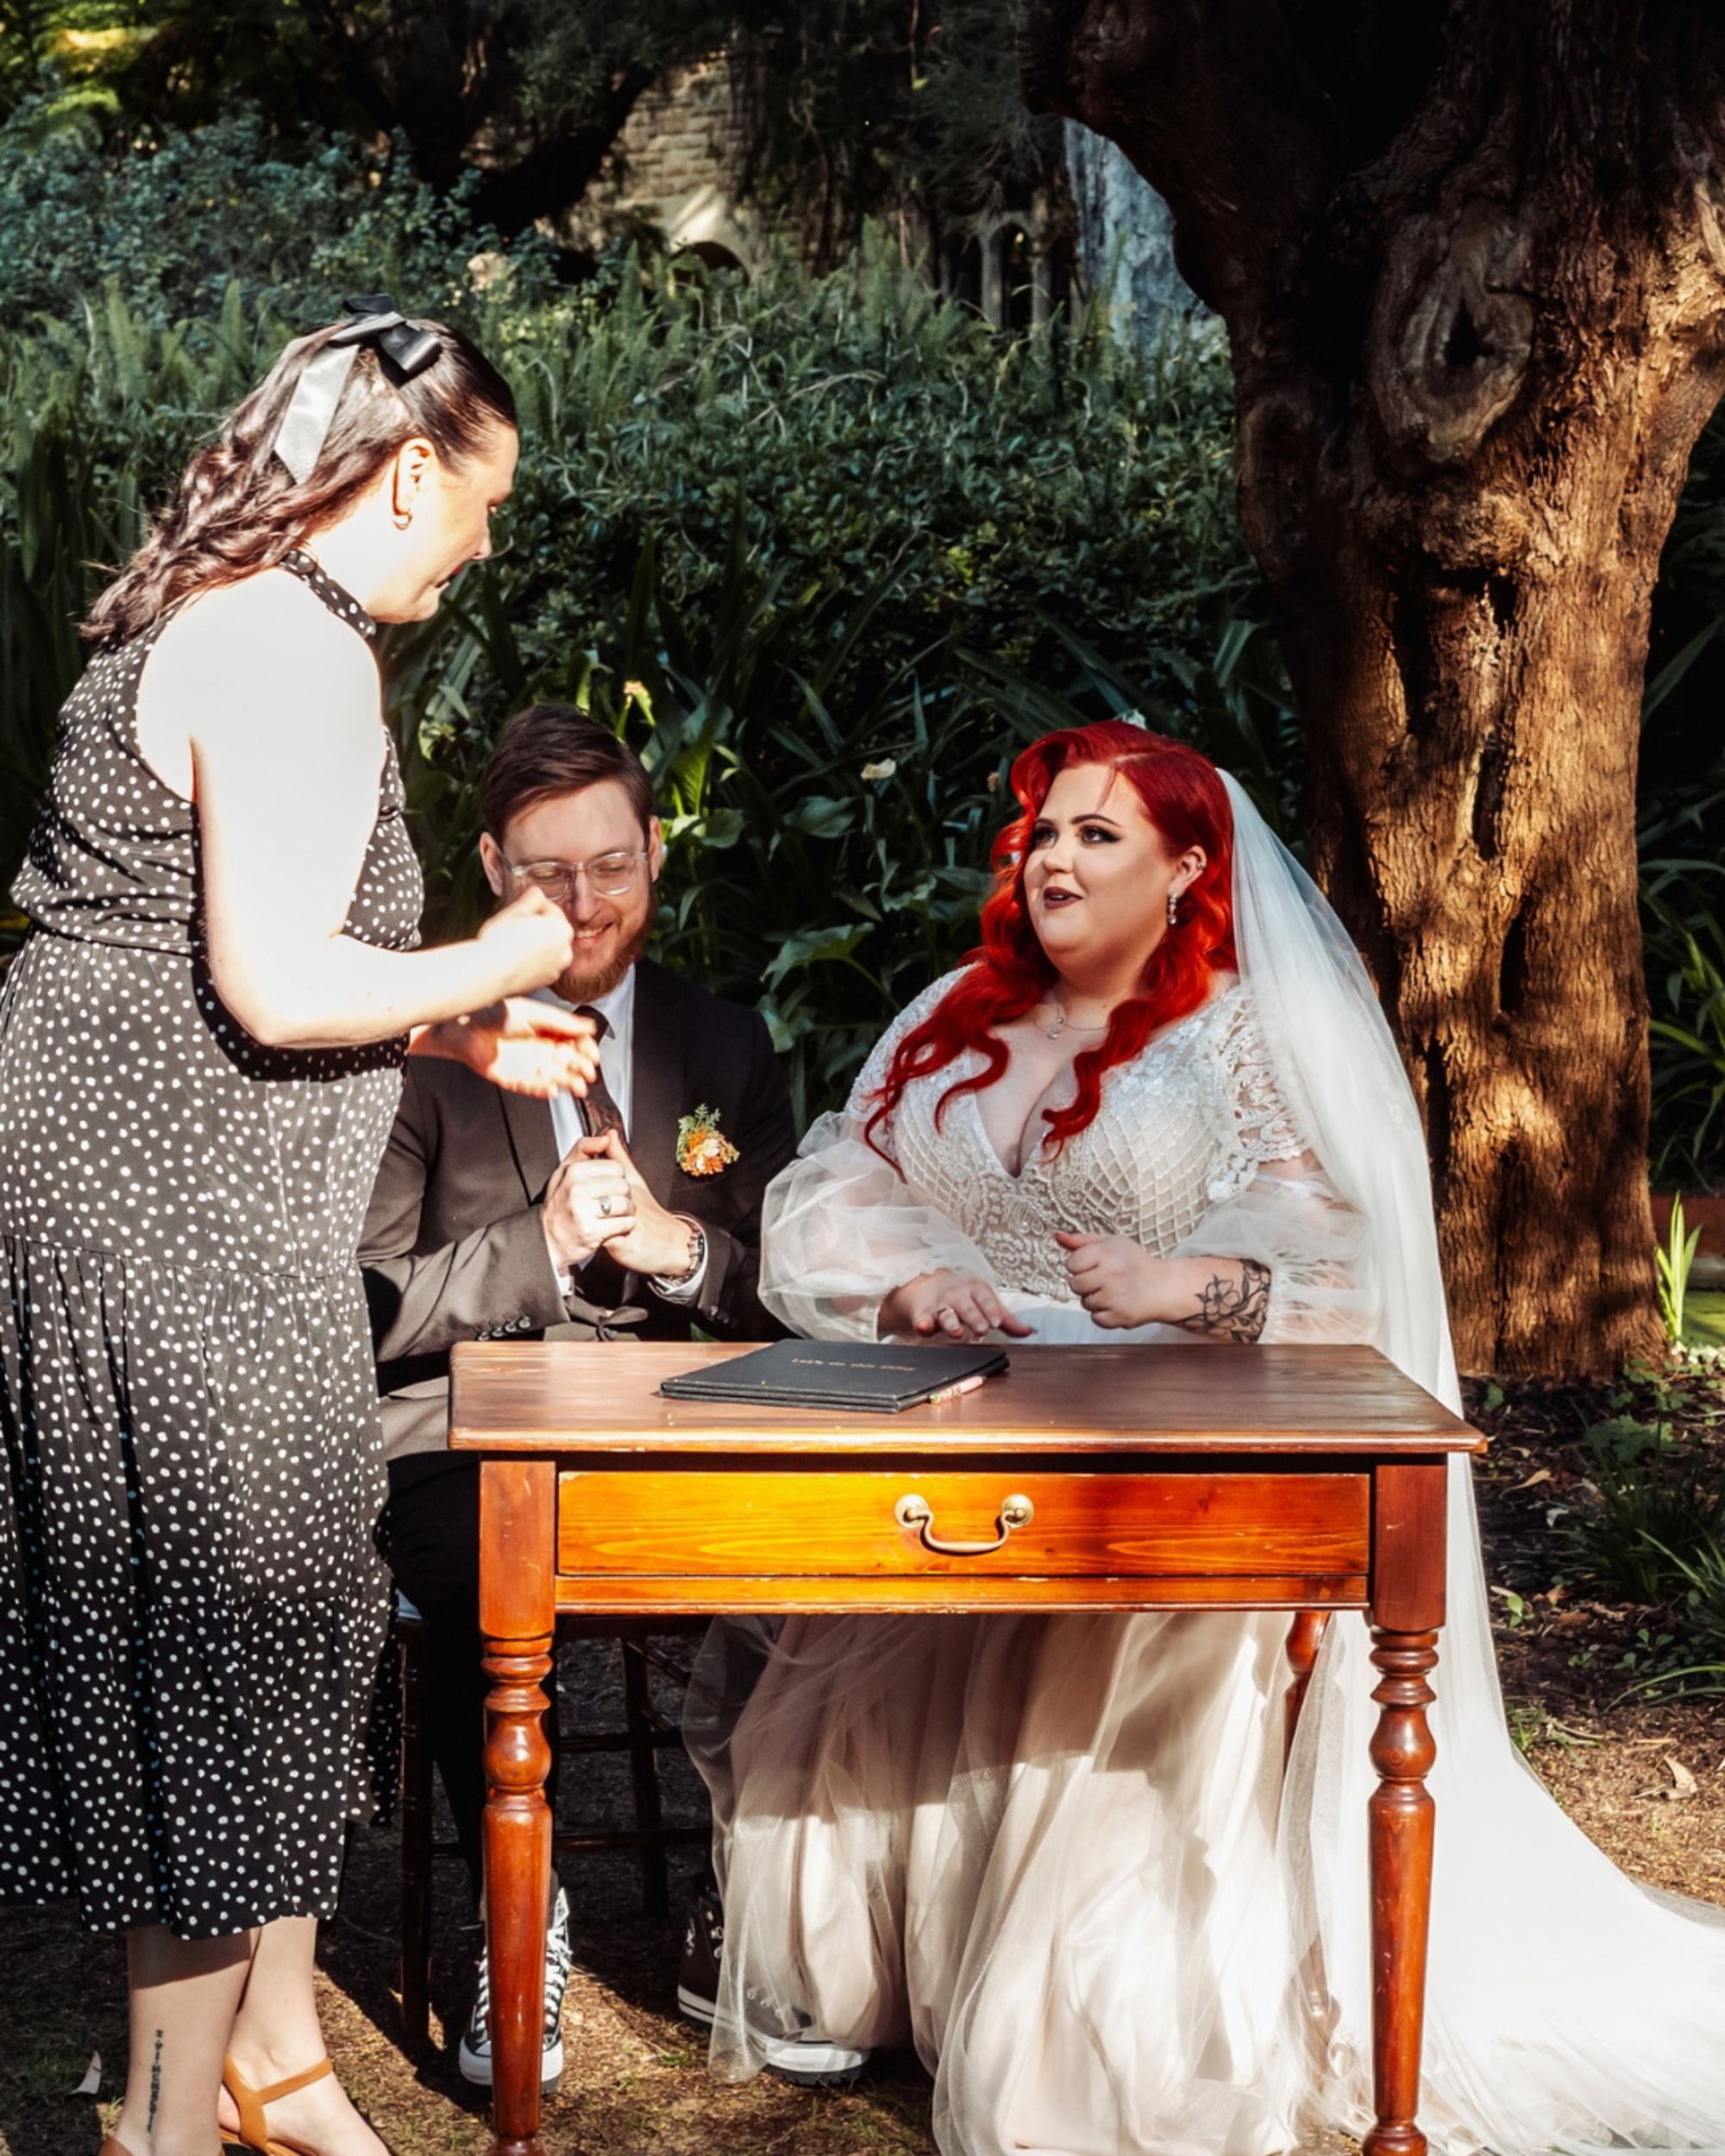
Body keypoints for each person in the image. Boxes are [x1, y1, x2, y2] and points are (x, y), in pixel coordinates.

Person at [682, 718, 1725, 2155]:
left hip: (1159, 1464)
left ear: (1184, 869)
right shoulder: (950, 1010)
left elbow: (1352, 1265)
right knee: (852, 1604)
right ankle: (891, 1977)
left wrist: (1183, 1286)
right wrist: (902, 1282)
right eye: (1044, 831)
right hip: (958, 1435)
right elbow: (832, 1189)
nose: (1054, 857)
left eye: (1096, 835)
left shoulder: (1239, 1037)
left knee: (1118, 1658)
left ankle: (1088, 2034)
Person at [0, 298, 603, 2156]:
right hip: (169, 1200)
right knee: (216, 1630)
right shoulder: (289, 648)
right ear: (410, 470)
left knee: (279, 1599)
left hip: (154, 1173)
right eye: (483, 498)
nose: (489, 536)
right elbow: (265, 988)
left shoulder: (242, 619)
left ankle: (269, 2059)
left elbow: (210, 950)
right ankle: (164, 2123)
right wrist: (506, 946)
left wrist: (443, 1019)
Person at [361, 702, 798, 2090]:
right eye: (549, 873)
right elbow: (360, 1305)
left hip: (689, 1426)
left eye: (610, 864)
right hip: (467, 1439)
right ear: (493, 869)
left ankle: (769, 1898)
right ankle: (517, 1909)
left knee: (839, 1560)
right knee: (482, 1568)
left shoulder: (723, 1039)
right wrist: (535, 1247)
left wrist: (686, 1251)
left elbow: (800, 1287)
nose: (585, 902)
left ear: (654, 855)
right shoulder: (424, 1044)